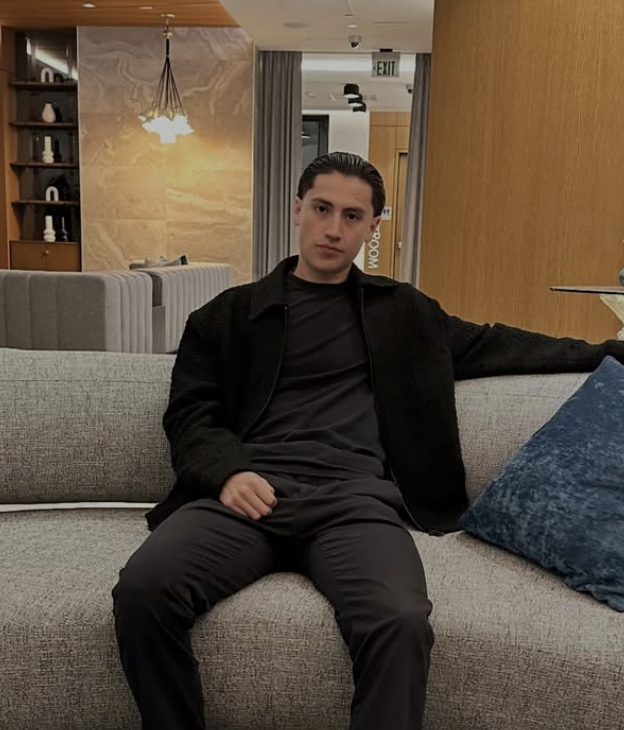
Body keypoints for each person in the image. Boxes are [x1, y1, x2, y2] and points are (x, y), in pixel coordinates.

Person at [112, 152, 623, 730]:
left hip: (354, 504)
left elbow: (505, 345)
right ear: (297, 210)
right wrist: (227, 471)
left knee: (399, 620)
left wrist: (612, 351)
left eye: (352, 216)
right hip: (246, 496)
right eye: (322, 209)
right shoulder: (227, 316)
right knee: (143, 591)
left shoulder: (404, 313)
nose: (334, 229)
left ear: (372, 227)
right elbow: (189, 414)